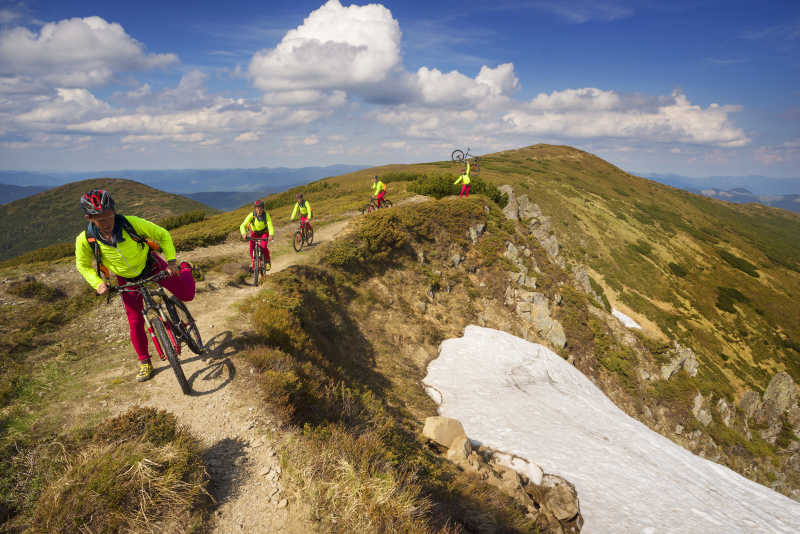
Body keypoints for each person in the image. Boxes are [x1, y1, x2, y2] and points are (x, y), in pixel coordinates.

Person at [75, 189, 195, 383]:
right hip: (126, 278)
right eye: (101, 219)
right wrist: (98, 284)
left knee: (187, 294)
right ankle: (144, 362)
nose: (107, 222)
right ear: (89, 218)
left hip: (151, 264)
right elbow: (82, 265)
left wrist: (172, 262)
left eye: (110, 215)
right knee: (135, 320)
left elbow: (163, 234)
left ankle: (186, 268)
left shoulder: (130, 223)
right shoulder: (85, 240)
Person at [240, 199, 274, 272]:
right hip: (254, 233)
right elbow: (243, 225)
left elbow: (270, 226)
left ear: (263, 208)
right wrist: (243, 233)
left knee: (263, 247)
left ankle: (267, 261)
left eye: (260, 208)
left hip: (264, 233)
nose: (259, 210)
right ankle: (253, 262)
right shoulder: (251, 215)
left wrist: (271, 235)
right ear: (255, 209)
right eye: (257, 208)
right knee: (251, 248)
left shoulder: (266, 215)